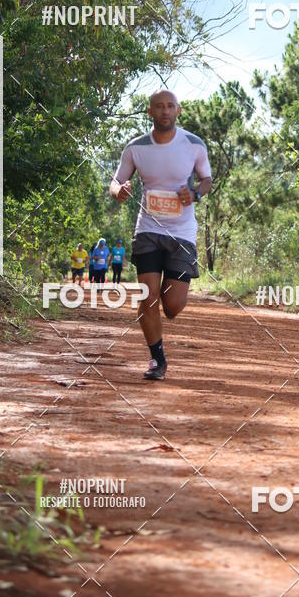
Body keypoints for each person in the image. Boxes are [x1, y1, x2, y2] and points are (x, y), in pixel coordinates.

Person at [109, 90, 212, 380]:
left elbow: (206, 180)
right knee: (148, 296)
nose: (165, 111)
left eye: (170, 106)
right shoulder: (136, 147)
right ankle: (157, 359)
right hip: (148, 230)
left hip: (182, 233)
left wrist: (194, 194)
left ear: (178, 111)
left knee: (173, 306)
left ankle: (172, 298)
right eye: (159, 106)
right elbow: (117, 180)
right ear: (150, 112)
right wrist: (119, 191)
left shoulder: (193, 144)